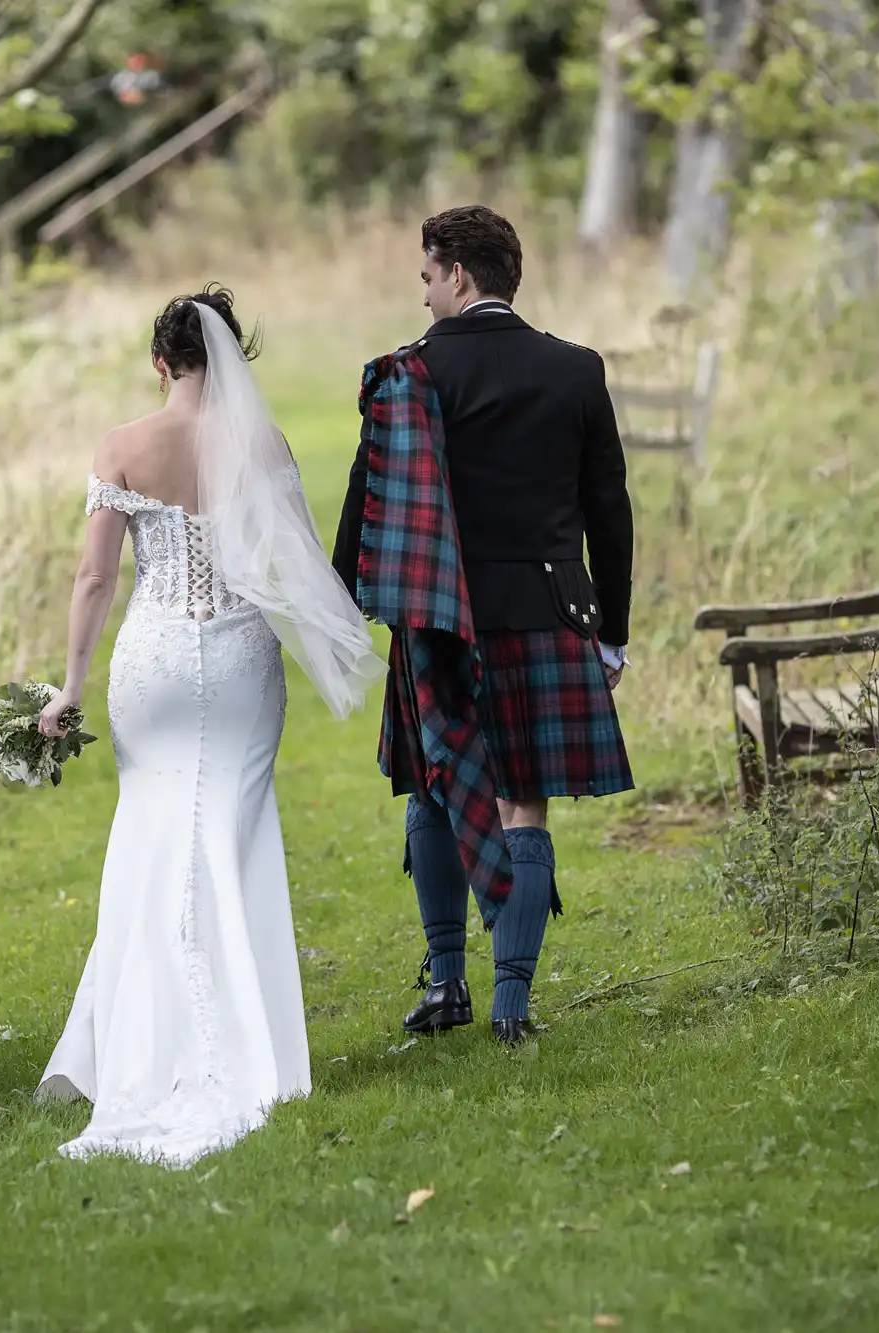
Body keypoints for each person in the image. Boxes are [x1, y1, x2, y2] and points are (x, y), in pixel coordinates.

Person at [33, 285, 384, 1165]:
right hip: (238, 660)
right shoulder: (261, 445)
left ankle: (140, 1046)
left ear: (159, 361)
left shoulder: (121, 447)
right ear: (233, 358)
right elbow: (297, 559)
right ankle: (247, 1042)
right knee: (232, 834)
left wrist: (70, 683)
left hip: (151, 661)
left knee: (150, 833)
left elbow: (93, 580)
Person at [331, 206, 636, 1046]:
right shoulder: (576, 369)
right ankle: (513, 1005)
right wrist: (613, 629)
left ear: (458, 275)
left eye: (428, 277)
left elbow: (369, 502)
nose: (424, 295)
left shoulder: (410, 372)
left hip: (437, 620)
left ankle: (447, 985)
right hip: (547, 615)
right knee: (524, 803)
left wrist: (339, 600)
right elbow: (610, 513)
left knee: (435, 790)